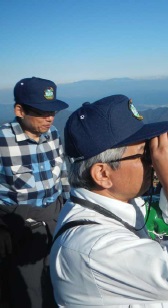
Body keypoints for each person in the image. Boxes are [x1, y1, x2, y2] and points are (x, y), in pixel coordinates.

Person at [50, 95, 168, 307]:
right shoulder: (94, 249)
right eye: (144, 156)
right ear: (103, 174)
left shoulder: (115, 203)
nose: (153, 162)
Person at [0, 77, 70, 307]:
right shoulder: (2, 141)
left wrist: (69, 203)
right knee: (30, 292)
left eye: (52, 111)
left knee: (59, 279)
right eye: (41, 112)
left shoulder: (53, 134)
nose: (49, 118)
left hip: (55, 216)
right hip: (20, 225)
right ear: (19, 110)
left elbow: (62, 171)